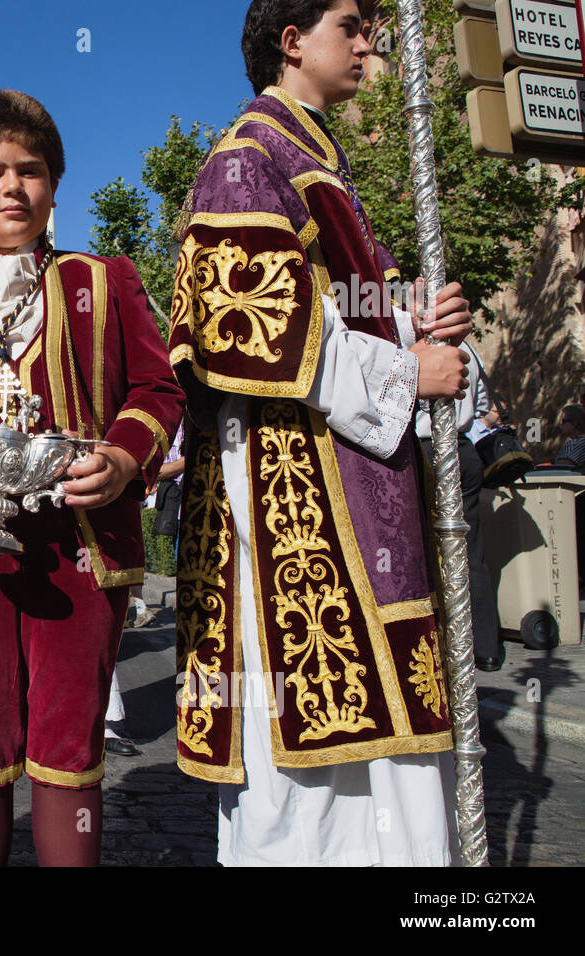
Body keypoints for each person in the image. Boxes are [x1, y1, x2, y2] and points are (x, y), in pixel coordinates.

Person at [169, 0, 472, 865]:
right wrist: (408, 371)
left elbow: (339, 322)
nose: (369, 39)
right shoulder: (247, 157)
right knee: (309, 788)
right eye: (352, 21)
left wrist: (408, 324)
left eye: (376, 22)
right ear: (292, 40)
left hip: (357, 487)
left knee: (387, 769)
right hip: (293, 502)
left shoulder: (322, 165)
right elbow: (246, 328)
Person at [0, 90, 184, 866]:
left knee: (67, 743)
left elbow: (157, 389)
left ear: (54, 185)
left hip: (79, 547)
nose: (11, 188)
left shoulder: (107, 279)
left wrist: (121, 459)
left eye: (31, 170)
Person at [415, 342, 502, 670]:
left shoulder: (424, 346)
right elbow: (481, 405)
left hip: (430, 446)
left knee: (428, 549)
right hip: (464, 448)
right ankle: (486, 648)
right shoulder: (471, 349)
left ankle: (443, 643)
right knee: (470, 550)